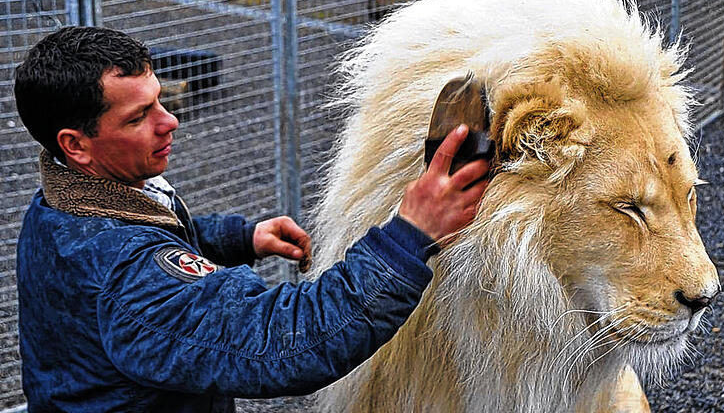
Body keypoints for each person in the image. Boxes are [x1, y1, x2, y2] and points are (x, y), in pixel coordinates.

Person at [13, 26, 489, 412]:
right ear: (75, 143)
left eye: (159, 99)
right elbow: (289, 341)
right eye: (139, 117)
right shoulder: (125, 275)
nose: (169, 121)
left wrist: (242, 238)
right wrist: (411, 234)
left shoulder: (64, 201)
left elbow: (153, 238)